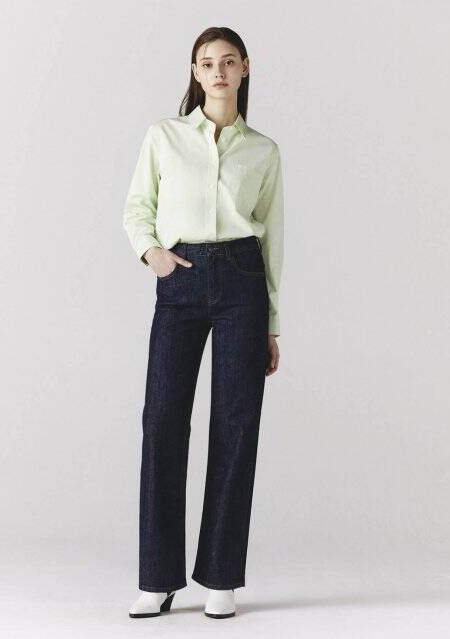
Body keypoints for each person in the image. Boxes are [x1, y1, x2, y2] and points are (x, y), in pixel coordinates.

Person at [122, 26, 284, 619]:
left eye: (228, 61)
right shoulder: (163, 136)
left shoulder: (263, 151)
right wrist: (152, 253)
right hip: (181, 277)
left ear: (245, 69)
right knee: (163, 421)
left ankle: (221, 576)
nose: (218, 71)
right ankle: (157, 579)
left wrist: (271, 323)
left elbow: (274, 239)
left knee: (237, 425)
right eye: (207, 62)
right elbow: (137, 206)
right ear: (195, 72)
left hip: (242, 280)